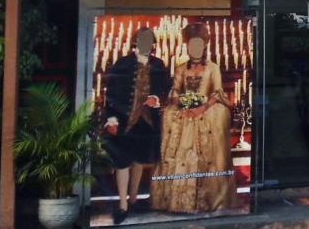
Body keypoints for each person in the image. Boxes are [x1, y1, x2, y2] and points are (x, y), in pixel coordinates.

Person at [151, 22, 237, 214]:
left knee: (216, 120)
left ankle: (209, 199)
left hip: (207, 110)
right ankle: (178, 201)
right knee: (170, 115)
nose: (195, 48)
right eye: (191, 45)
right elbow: (175, 89)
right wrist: (179, 101)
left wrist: (202, 107)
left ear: (205, 46)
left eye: (198, 44)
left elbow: (217, 92)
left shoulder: (213, 68)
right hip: (185, 109)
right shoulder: (181, 68)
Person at [101, 27, 171, 225]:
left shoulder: (159, 65)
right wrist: (112, 119)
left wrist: (156, 99)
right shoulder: (122, 64)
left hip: (148, 121)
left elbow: (166, 89)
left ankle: (133, 198)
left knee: (140, 159)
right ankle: (123, 205)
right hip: (124, 120)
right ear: (135, 42)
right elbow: (111, 93)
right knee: (122, 161)